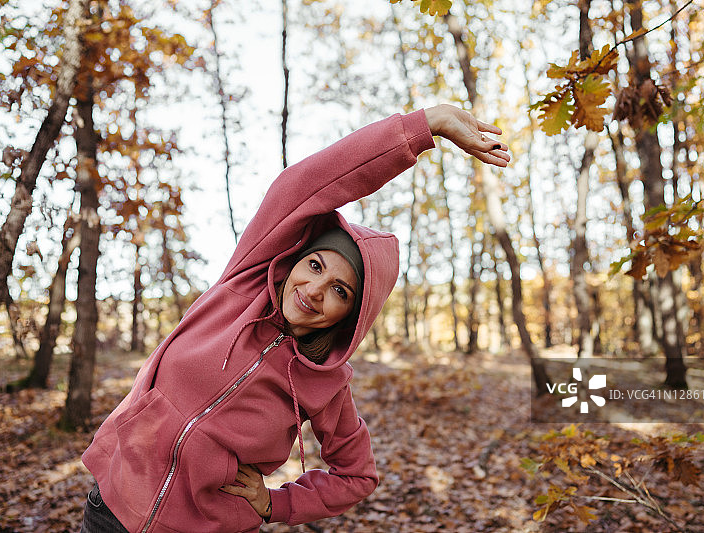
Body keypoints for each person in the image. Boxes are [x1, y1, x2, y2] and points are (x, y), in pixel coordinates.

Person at [80, 104, 510, 533]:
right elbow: (307, 184)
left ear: (350, 314)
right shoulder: (241, 287)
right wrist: (426, 125)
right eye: (316, 265)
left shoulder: (325, 382)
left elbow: (357, 477)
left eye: (340, 291)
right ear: (297, 261)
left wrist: (276, 503)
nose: (315, 290)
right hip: (111, 509)